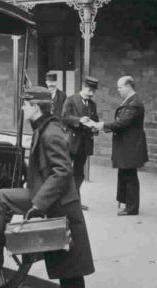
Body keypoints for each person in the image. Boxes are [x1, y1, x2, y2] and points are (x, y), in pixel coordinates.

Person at [0, 86, 94, 288]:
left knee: (71, 273)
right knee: (70, 273)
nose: (23, 108)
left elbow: (62, 172)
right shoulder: (42, 128)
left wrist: (38, 204)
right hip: (54, 203)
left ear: (36, 107)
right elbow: (43, 168)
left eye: (26, 104)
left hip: (61, 208)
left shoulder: (51, 132)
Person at [85, 76, 148, 216]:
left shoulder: (134, 103)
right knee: (125, 173)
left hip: (130, 145)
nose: (118, 90)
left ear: (128, 86)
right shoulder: (131, 101)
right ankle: (126, 203)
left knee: (130, 175)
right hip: (127, 144)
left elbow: (122, 123)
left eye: (120, 87)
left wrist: (101, 125)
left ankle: (132, 208)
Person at [62, 77, 100, 211]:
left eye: (93, 91)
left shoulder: (92, 104)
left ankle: (75, 201)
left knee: (79, 173)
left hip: (85, 144)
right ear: (83, 86)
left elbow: (95, 120)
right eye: (90, 90)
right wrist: (79, 119)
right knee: (66, 171)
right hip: (72, 142)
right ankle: (63, 200)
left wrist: (95, 127)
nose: (91, 94)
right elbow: (65, 117)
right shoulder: (71, 100)